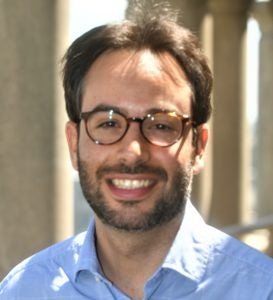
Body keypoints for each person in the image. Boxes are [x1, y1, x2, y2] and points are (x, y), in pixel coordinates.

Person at [1, 1, 273, 299]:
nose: (132, 151)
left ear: (198, 147)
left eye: (160, 125)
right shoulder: (24, 290)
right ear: (73, 142)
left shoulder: (261, 288)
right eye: (107, 123)